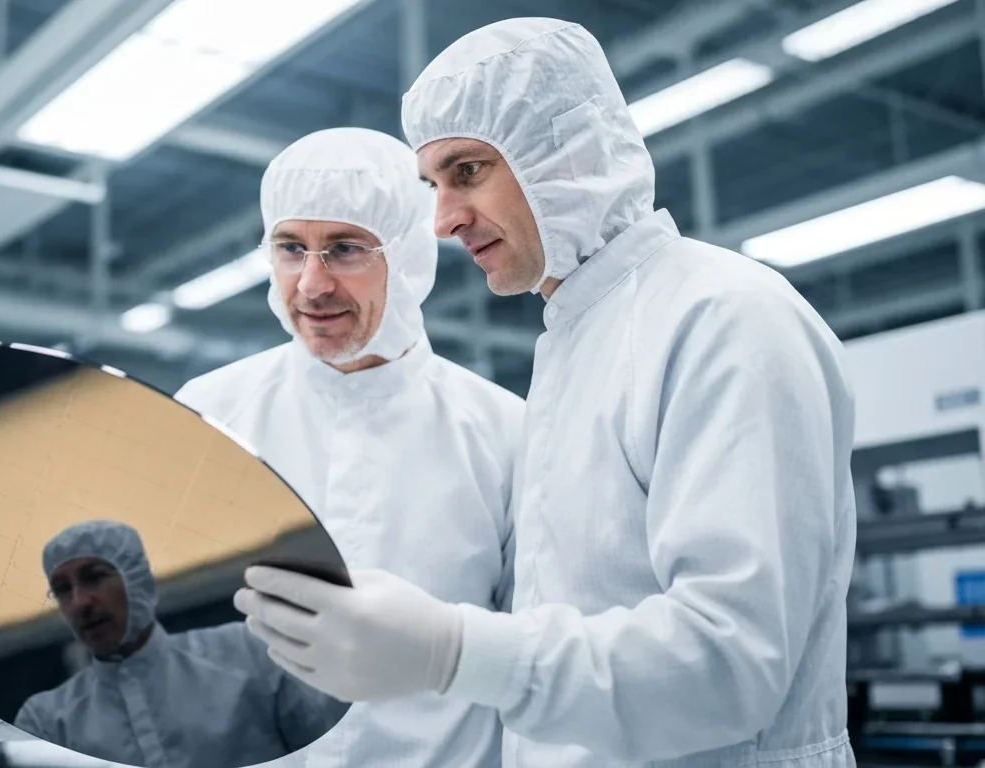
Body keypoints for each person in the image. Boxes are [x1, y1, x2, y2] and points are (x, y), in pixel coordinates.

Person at [233, 17, 859, 768]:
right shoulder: (576, 342)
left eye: (467, 170)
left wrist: (451, 650)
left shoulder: (724, 316)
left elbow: (734, 661)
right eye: (433, 184)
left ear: (566, 150)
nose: (443, 219)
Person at [172, 126, 526, 767]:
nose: (311, 284)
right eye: (290, 248)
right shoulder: (209, 412)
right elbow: (131, 629)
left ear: (411, 254)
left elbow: (537, 668)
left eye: (344, 249)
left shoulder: (503, 433)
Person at [0, 519, 346, 767]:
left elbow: (339, 753)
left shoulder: (248, 653)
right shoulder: (47, 716)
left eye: (95, 577)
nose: (80, 601)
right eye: (62, 589)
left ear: (139, 579)